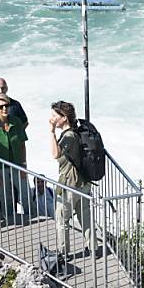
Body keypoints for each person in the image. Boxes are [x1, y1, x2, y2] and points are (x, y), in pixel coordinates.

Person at [49, 100, 92, 258]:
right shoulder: (77, 132)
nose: (52, 118)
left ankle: (63, 253)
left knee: (62, 219)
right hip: (84, 182)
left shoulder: (69, 136)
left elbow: (56, 154)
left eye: (55, 115)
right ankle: (92, 247)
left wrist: (51, 132)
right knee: (85, 217)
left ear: (64, 117)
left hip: (70, 184)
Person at [0, 93, 31, 219]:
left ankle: (32, 216)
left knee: (26, 194)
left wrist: (24, 165)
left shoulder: (17, 122)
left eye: (6, 105)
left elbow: (22, 145)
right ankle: (10, 221)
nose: (4, 109)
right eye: (1, 106)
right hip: (0, 168)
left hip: (18, 165)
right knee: (5, 196)